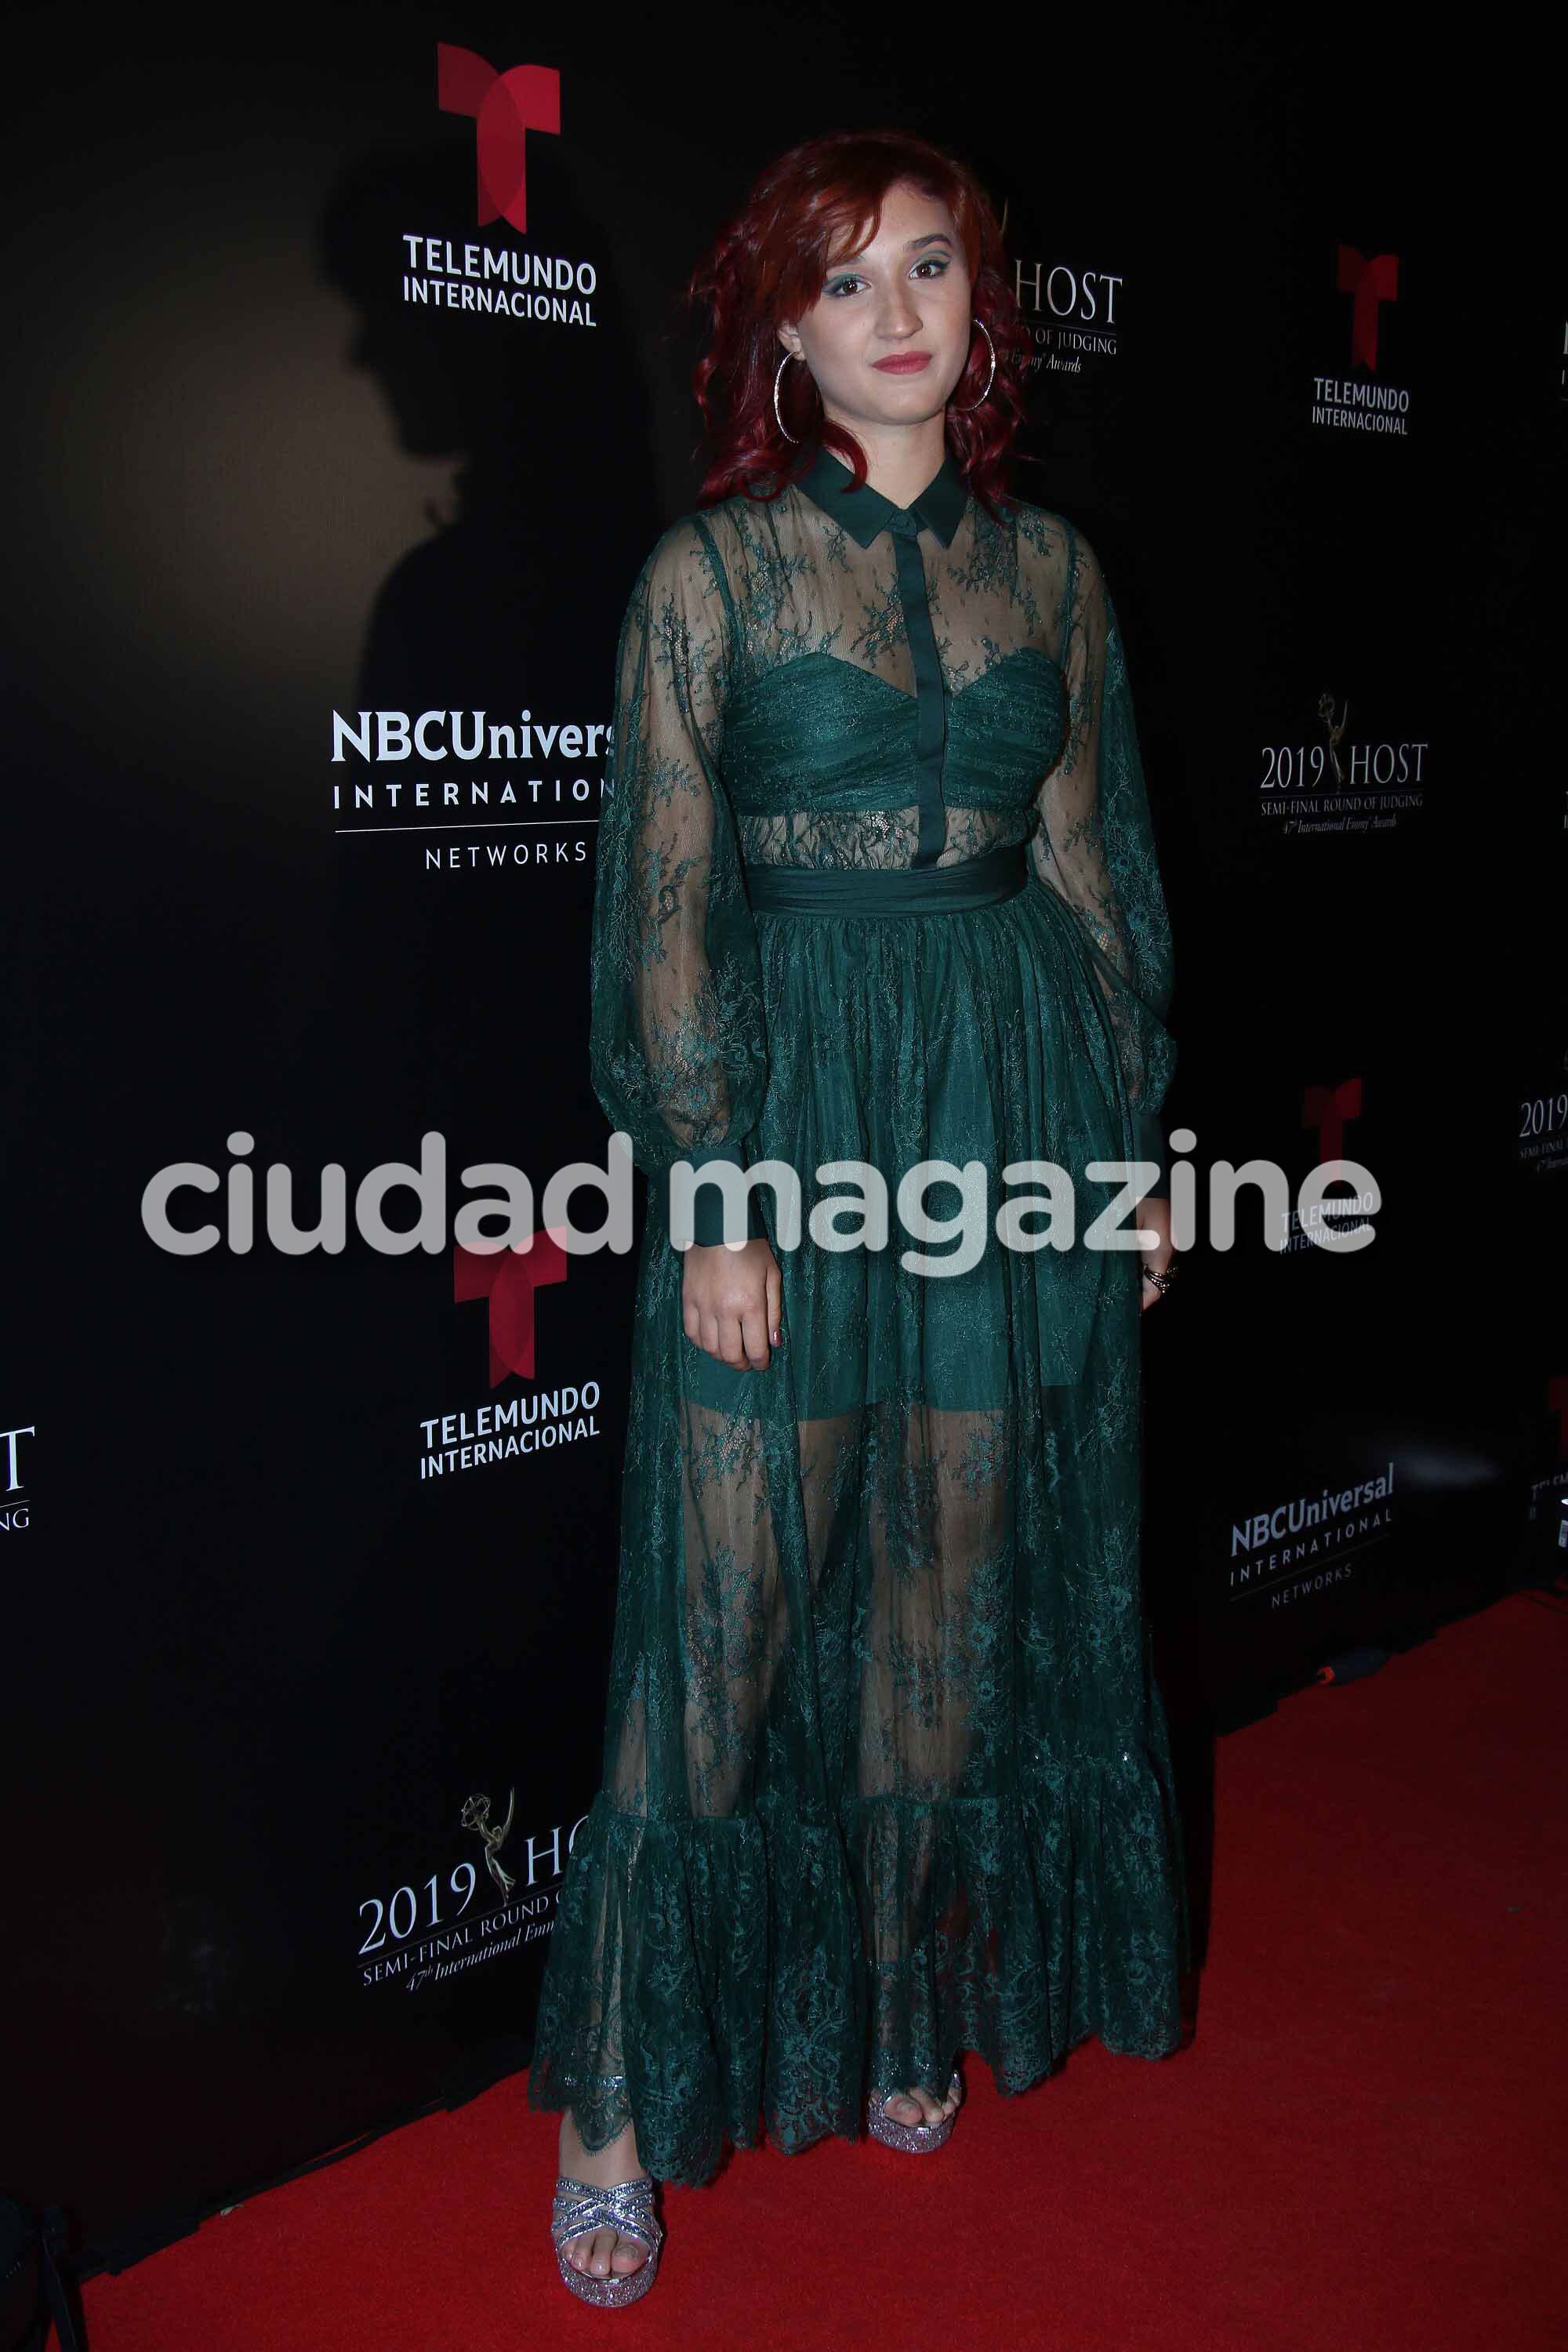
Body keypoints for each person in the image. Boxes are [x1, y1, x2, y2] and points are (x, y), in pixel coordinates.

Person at [529, 127, 1189, 2308]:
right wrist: (712, 1187)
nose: (899, 311)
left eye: (931, 267)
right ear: (783, 335)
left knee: (948, 1608)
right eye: (846, 281)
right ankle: (617, 2089)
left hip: (1008, 1116)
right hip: (795, 1124)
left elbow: (1093, 881)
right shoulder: (707, 585)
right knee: (722, 1623)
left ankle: (904, 2003)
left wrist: (1140, 1140)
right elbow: (667, 915)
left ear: (980, 306)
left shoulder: (1059, 579)